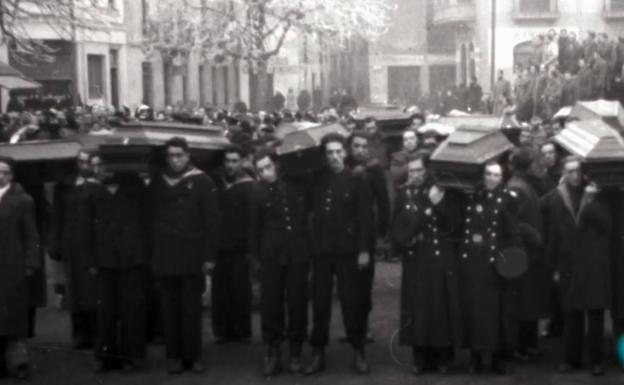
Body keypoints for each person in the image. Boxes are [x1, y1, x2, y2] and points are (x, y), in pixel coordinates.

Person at [303, 133, 374, 375]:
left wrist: (364, 250)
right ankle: (318, 352)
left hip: (348, 251)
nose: (334, 157)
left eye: (337, 152)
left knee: (351, 302)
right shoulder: (317, 179)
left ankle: (358, 351)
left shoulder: (356, 180)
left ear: (344, 152)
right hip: (322, 252)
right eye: (329, 153)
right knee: (320, 303)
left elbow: (366, 218)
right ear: (324, 155)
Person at [148, 137, 219, 374]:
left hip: (192, 255)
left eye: (179, 155)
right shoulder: (157, 183)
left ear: (188, 156)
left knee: (191, 310)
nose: (175, 160)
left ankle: (194, 355)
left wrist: (209, 257)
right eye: (171, 156)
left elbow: (212, 222)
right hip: (165, 256)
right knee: (169, 310)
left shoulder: (202, 181)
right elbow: (149, 220)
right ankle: (174, 356)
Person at [392, 154, 462, 375]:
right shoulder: (404, 194)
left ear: (427, 171)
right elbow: (395, 226)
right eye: (411, 171)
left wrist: (436, 203)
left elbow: (454, 226)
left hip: (440, 258)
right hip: (416, 259)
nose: (414, 175)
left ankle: (443, 357)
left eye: (418, 170)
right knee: (417, 309)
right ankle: (420, 357)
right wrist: (404, 240)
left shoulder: (441, 191)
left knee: (439, 307)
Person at [542, 156, 611, 377]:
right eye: (570, 171)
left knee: (595, 314)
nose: (574, 175)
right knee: (572, 315)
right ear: (563, 172)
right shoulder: (554, 198)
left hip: (593, 264)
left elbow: (607, 226)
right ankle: (571, 359)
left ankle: (596, 360)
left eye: (578, 171)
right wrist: (553, 266)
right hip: (568, 264)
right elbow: (551, 234)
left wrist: (591, 203)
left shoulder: (597, 194)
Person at [249, 149, 309, 376]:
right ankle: (272, 350)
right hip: (270, 255)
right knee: (271, 304)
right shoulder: (257, 191)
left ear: (277, 164)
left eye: (268, 167)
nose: (265, 173)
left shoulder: (296, 184)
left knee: (298, 302)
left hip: (297, 253)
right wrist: (255, 258)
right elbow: (253, 227)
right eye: (260, 170)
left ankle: (295, 350)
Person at [459, 161, 521, 375]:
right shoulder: (473, 198)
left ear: (502, 178)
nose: (492, 178)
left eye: (496, 175)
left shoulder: (507, 201)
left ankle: (495, 358)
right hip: (475, 264)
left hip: (495, 264)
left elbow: (513, 235)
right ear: (483, 176)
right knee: (475, 311)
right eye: (488, 174)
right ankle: (475, 357)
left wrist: (509, 264)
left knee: (496, 314)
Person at [92, 170, 148, 372]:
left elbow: (146, 221)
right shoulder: (94, 190)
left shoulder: (136, 187)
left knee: (131, 310)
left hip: (131, 259)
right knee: (105, 310)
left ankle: (131, 356)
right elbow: (86, 225)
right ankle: (106, 356)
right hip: (103, 259)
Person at [52, 150, 100, 350]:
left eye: (88, 162)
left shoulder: (98, 185)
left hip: (93, 243)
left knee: (94, 290)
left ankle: (97, 333)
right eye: (80, 162)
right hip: (71, 243)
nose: (84, 165)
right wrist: (56, 243)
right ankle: (80, 334)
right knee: (75, 290)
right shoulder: (65, 186)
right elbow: (57, 216)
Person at [346, 132, 391, 341]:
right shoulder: (342, 168)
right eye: (356, 146)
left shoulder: (374, 170)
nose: (360, 150)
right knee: (348, 284)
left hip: (366, 233)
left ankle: (364, 327)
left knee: (364, 284)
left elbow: (383, 203)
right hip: (345, 233)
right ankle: (352, 328)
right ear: (350, 147)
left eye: (364, 146)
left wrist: (382, 234)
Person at [0, 157, 39, 380]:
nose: (0, 176)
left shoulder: (23, 200)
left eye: (5, 172)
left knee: (14, 317)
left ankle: (18, 364)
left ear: (11, 176)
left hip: (13, 265)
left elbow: (31, 234)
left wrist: (31, 263)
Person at [506, 149, 547, 361]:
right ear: (528, 165)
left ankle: (527, 345)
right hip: (524, 252)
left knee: (528, 300)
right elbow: (514, 221)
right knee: (524, 302)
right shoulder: (517, 187)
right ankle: (522, 347)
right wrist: (534, 235)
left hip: (528, 252)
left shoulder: (519, 185)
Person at [211, 146, 255, 344]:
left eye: (234, 161)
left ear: (242, 162)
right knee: (220, 291)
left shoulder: (249, 185)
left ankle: (242, 330)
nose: (230, 165)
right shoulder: (216, 182)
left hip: (240, 246)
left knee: (240, 289)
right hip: (219, 245)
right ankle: (223, 331)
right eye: (227, 161)